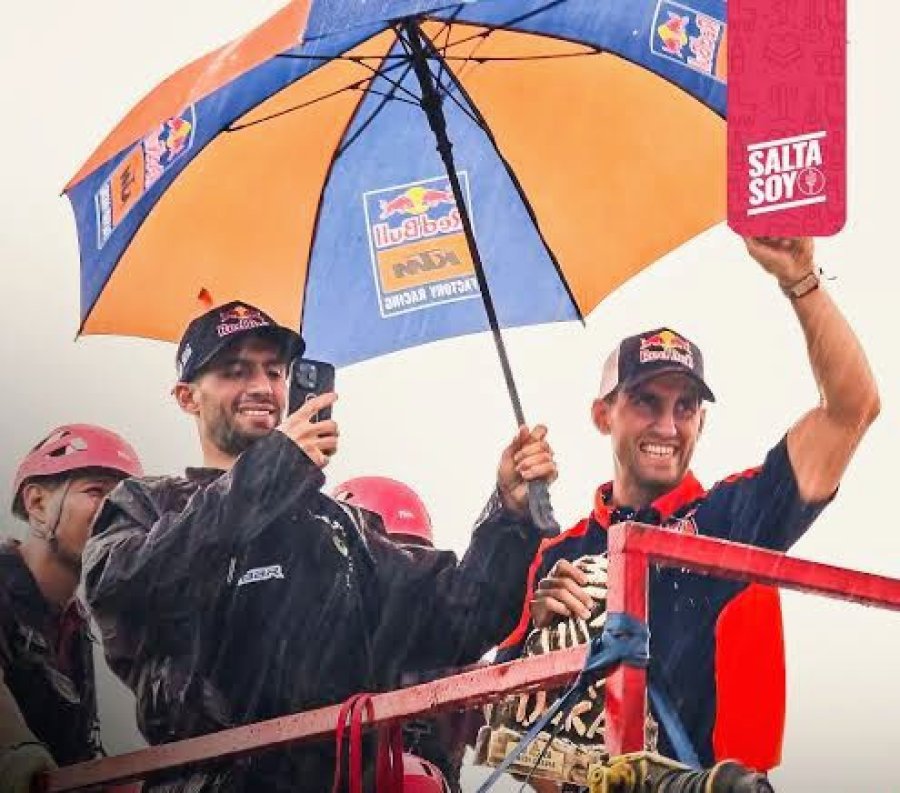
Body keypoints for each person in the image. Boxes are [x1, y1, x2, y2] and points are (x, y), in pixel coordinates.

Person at [82, 300, 558, 793]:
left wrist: (510, 513)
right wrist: (272, 471)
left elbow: (459, 619)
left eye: (274, 370)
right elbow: (121, 590)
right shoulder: (147, 503)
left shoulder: (341, 526)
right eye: (234, 370)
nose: (262, 388)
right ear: (187, 397)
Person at [488, 236, 881, 784]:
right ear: (603, 415)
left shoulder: (728, 520)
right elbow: (493, 715)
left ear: (703, 421)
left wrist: (801, 279)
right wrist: (541, 640)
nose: (667, 427)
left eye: (686, 407)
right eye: (646, 401)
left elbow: (851, 410)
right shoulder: (559, 552)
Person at [0, 424, 143, 793]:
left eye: (126, 498)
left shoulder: (74, 627)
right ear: (37, 504)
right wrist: (17, 750)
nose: (115, 510)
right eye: (96, 491)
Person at [333, 476, 486, 793]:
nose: (400, 575)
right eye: (385, 556)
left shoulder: (458, 664)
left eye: (412, 559)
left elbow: (513, 738)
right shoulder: (310, 658)